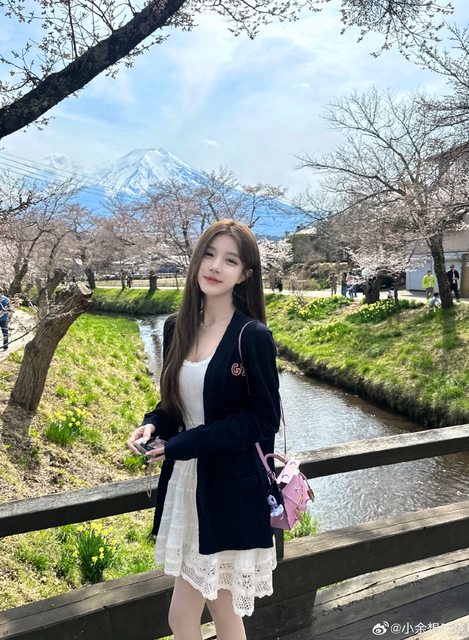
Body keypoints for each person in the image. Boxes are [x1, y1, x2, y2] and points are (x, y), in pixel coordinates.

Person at [127, 220, 280, 638]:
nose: (215, 266)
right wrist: (152, 425)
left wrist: (188, 442)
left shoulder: (252, 336)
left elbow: (262, 420)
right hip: (186, 484)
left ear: (245, 274)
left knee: (211, 613)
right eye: (209, 255)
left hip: (228, 489)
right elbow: (175, 405)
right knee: (198, 615)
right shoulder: (177, 327)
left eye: (230, 260)